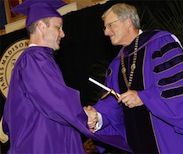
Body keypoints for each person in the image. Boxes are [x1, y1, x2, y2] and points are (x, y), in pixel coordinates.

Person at [2, 0, 132, 153]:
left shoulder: (38, 59)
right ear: (41, 27)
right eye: (58, 27)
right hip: (43, 145)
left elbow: (9, 119)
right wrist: (83, 114)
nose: (63, 34)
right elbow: (53, 98)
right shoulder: (34, 58)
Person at [85, 3, 183, 154]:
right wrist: (97, 117)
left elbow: (181, 91)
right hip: (137, 142)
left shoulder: (161, 43)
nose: (106, 32)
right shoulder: (116, 64)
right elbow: (112, 103)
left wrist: (143, 97)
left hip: (168, 138)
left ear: (128, 22)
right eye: (105, 27)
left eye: (110, 25)